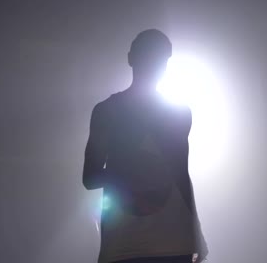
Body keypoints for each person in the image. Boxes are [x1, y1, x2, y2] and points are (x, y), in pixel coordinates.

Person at [83, 29, 208, 263]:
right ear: (131, 58)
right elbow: (89, 178)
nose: (154, 64)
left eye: (159, 58)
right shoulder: (109, 112)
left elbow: (181, 175)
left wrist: (196, 233)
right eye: (151, 56)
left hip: (148, 243)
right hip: (136, 243)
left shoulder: (176, 113)